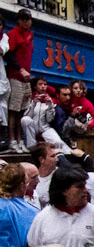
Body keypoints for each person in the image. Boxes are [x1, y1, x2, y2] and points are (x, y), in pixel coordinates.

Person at [6, 10, 33, 153]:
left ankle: (20, 139)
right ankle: (12, 140)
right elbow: (9, 55)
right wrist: (20, 69)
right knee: (14, 110)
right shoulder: (13, 34)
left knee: (22, 111)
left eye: (29, 20)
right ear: (20, 20)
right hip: (16, 76)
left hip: (25, 78)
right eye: (26, 19)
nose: (28, 22)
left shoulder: (29, 35)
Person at [21, 78, 71, 153]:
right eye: (40, 84)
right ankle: (31, 147)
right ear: (35, 87)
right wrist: (34, 103)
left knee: (58, 142)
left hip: (45, 128)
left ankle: (69, 154)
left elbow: (49, 119)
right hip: (33, 127)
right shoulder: (31, 99)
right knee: (25, 119)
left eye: (45, 84)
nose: (43, 86)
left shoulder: (51, 100)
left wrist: (50, 106)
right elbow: (26, 116)